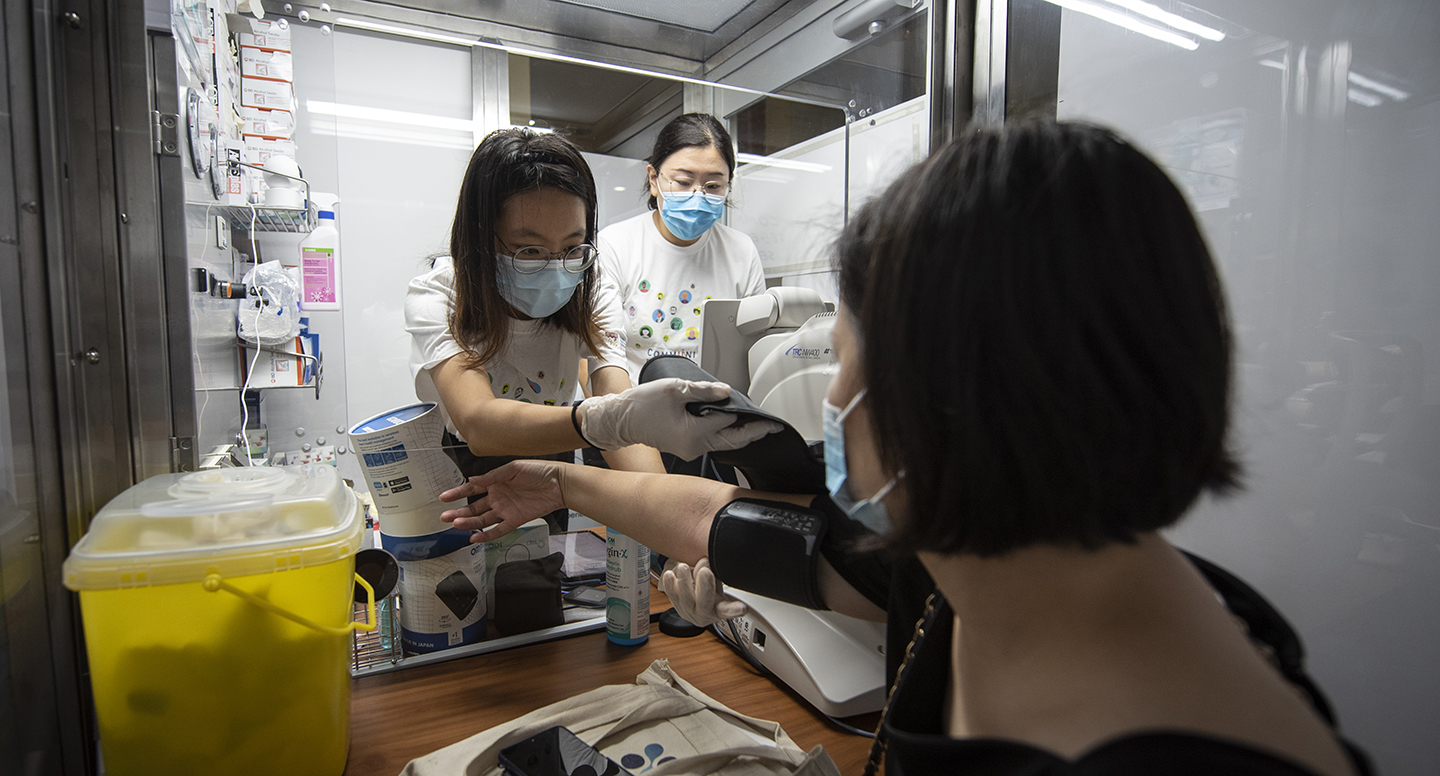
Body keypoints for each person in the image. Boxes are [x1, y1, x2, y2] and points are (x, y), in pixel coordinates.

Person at [438, 122, 1370, 775]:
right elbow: (722, 520)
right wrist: (561, 480)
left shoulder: (1167, 748)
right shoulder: (986, 564)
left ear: (958, 390)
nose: (833, 400)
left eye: (847, 365)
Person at [404, 128, 776, 531]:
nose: (555, 265)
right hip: (458, 467)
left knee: (547, 576)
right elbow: (479, 423)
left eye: (572, 247)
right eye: (530, 250)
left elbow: (613, 391)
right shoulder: (441, 294)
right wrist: (607, 421)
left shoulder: (588, 286)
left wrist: (673, 529)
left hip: (551, 453)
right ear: (481, 240)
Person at [597, 113, 766, 383]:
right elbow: (599, 354)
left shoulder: (741, 252)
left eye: (713, 185)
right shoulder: (616, 245)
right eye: (684, 182)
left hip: (716, 410)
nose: (698, 195)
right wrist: (624, 418)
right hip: (635, 409)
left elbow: (757, 349)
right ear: (654, 179)